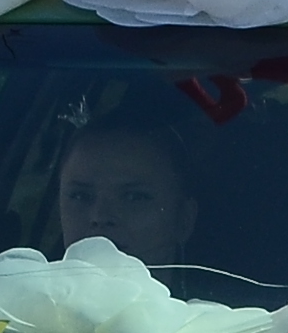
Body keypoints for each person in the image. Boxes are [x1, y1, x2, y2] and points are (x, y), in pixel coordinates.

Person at [49, 101, 203, 265]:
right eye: (80, 196)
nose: (100, 216)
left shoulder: (228, 290)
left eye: (134, 197)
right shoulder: (20, 285)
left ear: (183, 220)